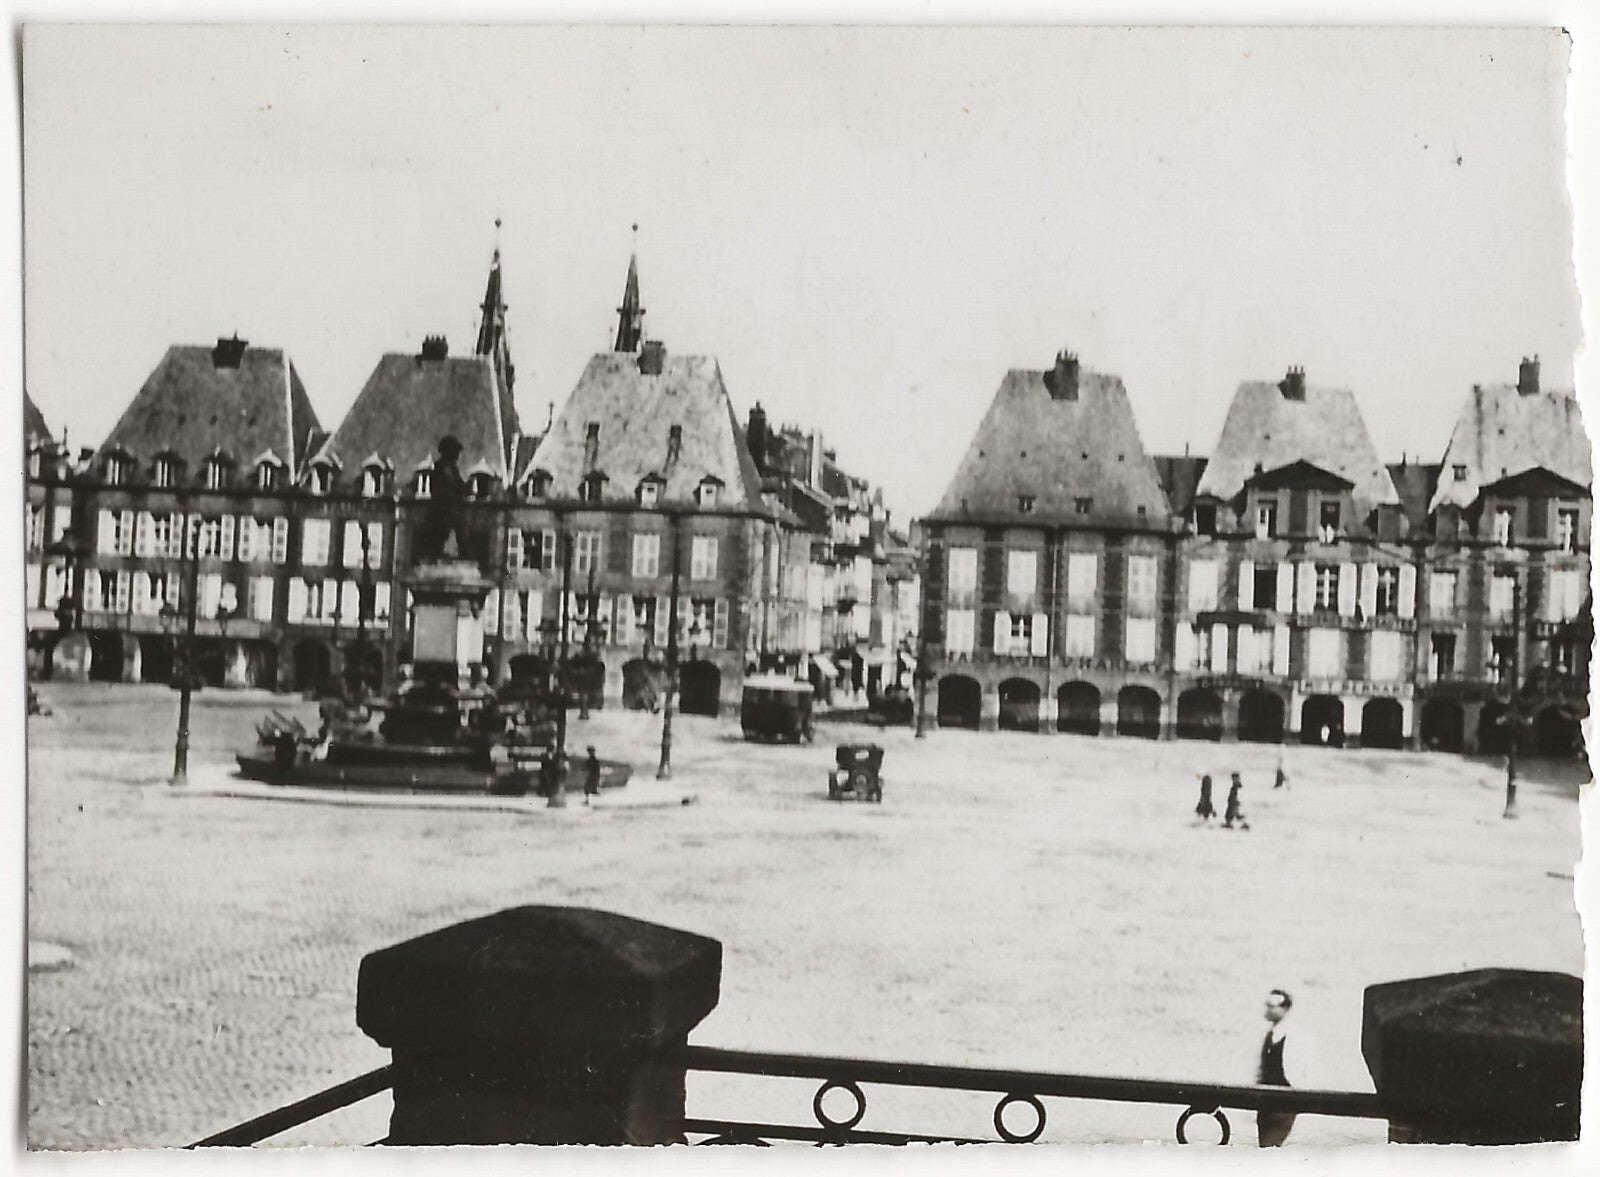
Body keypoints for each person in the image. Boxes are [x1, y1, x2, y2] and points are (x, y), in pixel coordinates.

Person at [1256, 989, 1300, 1147]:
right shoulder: (1271, 1034)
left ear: (1285, 1008)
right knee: (1264, 1145)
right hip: (1266, 1103)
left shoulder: (1293, 1035)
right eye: (1267, 1005)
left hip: (1284, 1102)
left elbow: (1301, 1070)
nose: (1268, 1009)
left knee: (1272, 1144)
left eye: (1272, 1006)